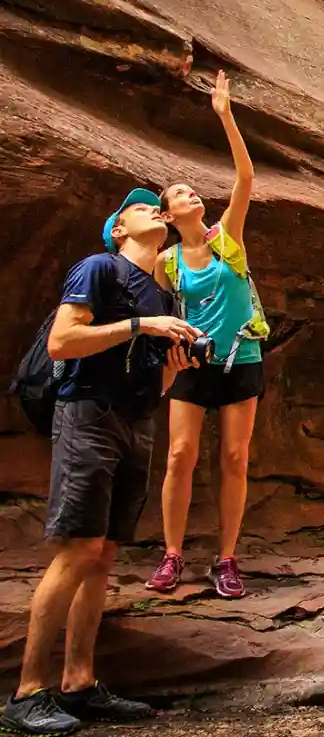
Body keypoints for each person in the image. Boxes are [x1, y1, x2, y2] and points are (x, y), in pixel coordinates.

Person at [2, 191, 201, 736]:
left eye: (155, 206)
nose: (155, 210)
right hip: (88, 411)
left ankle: (79, 682)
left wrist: (174, 362)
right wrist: (140, 327)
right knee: (79, 548)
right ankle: (28, 693)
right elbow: (65, 341)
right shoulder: (100, 268)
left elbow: (159, 381)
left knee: (106, 553)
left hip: (137, 422)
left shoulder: (166, 296)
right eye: (140, 209)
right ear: (117, 230)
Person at [146, 71, 264, 600]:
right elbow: (158, 310)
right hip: (192, 362)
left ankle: (227, 559)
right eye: (179, 194)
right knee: (179, 455)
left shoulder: (226, 238)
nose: (191, 194)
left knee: (235, 458)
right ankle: (172, 556)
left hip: (242, 356)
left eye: (192, 189)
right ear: (169, 216)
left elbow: (245, 177)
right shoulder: (166, 262)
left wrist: (225, 115)